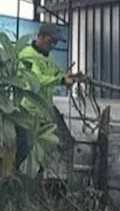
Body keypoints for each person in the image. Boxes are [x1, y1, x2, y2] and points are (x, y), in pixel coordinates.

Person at [8, 22, 77, 174]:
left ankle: (34, 189)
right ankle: (18, 185)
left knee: (39, 156)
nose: (53, 45)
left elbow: (52, 76)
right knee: (25, 153)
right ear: (41, 37)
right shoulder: (27, 55)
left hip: (42, 116)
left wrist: (65, 77)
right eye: (51, 41)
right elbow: (36, 80)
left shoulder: (49, 58)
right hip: (27, 113)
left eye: (55, 42)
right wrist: (60, 81)